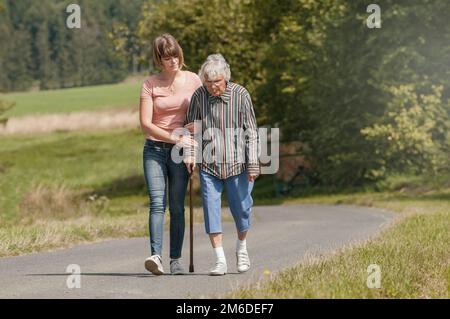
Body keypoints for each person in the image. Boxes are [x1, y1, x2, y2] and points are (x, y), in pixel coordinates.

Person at [185, 54, 259, 276]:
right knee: (211, 210)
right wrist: (189, 155)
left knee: (242, 209)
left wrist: (253, 163)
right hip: (209, 164)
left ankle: (241, 248)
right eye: (208, 83)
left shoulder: (240, 94)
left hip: (238, 163)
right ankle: (219, 260)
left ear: (225, 78)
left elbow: (251, 131)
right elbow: (191, 131)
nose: (212, 87)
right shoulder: (199, 96)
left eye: (216, 82)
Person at [140, 34, 202, 275]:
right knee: (157, 204)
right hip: (154, 149)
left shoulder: (194, 79)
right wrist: (175, 137)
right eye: (167, 57)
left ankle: (175, 259)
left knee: (177, 207)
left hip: (182, 152)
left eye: (175, 54)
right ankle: (156, 256)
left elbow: (200, 115)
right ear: (159, 59)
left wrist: (192, 147)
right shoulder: (150, 84)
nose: (173, 60)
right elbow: (146, 124)